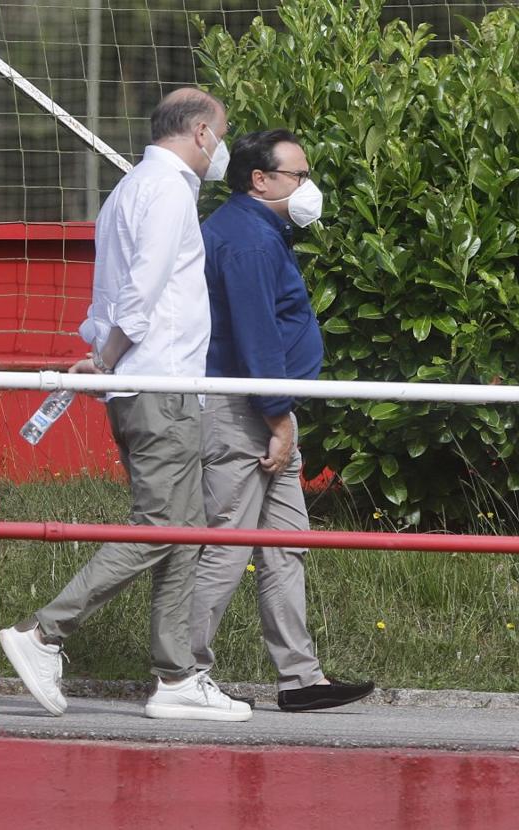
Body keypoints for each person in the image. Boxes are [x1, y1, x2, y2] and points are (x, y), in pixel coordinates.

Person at [0, 88, 251, 722]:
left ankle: (177, 679)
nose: (219, 150)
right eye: (219, 136)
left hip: (151, 382)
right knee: (163, 526)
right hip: (158, 384)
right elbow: (138, 294)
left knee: (183, 531)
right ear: (199, 132)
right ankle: (44, 633)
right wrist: (109, 356)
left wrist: (104, 354)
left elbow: (108, 294)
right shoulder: (165, 191)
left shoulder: (129, 188)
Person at [192, 129, 374, 712]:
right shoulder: (247, 240)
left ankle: (300, 677)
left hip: (266, 411)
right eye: (298, 175)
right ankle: (181, 672)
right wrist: (276, 416)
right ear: (260, 180)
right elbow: (256, 335)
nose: (307, 186)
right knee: (229, 545)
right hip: (248, 412)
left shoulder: (257, 231)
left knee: (284, 543)